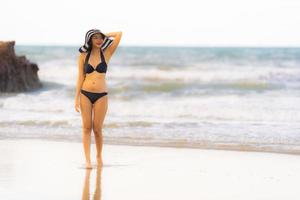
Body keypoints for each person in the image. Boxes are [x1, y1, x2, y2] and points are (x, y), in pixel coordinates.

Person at [75, 29, 122, 169]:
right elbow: (80, 77)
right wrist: (76, 98)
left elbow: (119, 34)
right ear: (89, 40)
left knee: (97, 129)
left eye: (100, 38)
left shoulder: (107, 53)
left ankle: (99, 156)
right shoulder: (83, 55)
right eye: (95, 38)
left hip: (102, 95)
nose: (98, 40)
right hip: (85, 94)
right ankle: (88, 160)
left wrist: (103, 34)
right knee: (86, 128)